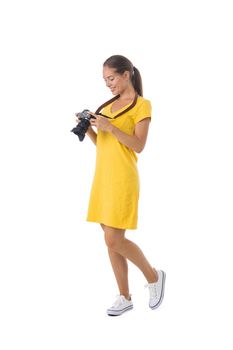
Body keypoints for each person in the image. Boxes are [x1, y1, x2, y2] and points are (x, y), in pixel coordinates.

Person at [76, 55, 166, 316]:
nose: (108, 84)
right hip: (103, 177)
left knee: (114, 239)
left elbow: (138, 146)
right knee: (111, 241)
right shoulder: (107, 105)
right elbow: (105, 146)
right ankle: (125, 296)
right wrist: (90, 130)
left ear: (126, 74)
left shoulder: (142, 106)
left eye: (111, 78)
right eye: (105, 80)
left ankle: (153, 276)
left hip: (122, 179)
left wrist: (111, 128)